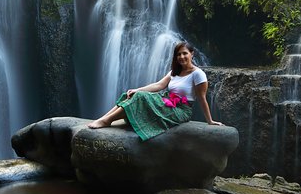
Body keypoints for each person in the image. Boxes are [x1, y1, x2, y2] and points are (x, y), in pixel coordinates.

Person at [87, 41, 223, 140]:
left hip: (181, 110)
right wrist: (136, 89)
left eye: (184, 53)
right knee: (129, 95)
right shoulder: (175, 71)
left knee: (140, 97)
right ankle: (104, 118)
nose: (181, 57)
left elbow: (202, 97)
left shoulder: (198, 74)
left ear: (192, 54)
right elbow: (158, 85)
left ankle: (107, 121)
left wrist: (210, 121)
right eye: (178, 54)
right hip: (166, 102)